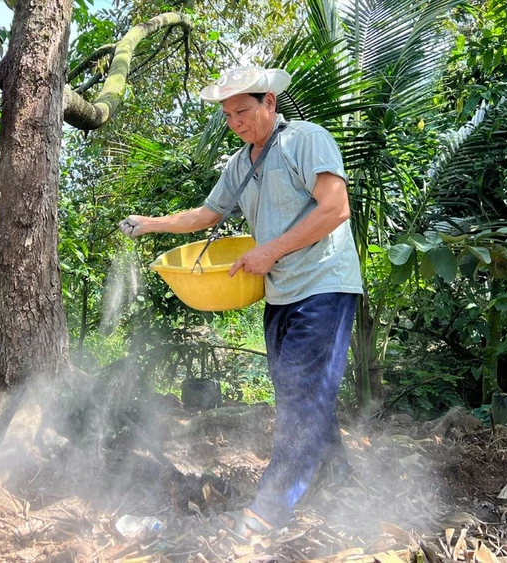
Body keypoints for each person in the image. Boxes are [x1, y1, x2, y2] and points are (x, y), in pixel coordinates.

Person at [118, 65, 363, 536]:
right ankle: (338, 478)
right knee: (304, 392)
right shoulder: (240, 163)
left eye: (243, 110)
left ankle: (267, 512)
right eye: (228, 115)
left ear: (270, 102)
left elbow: (335, 208)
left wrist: (268, 250)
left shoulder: (305, 139)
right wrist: (151, 223)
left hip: (325, 285)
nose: (236, 122)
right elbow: (207, 215)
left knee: (299, 394)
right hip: (281, 293)